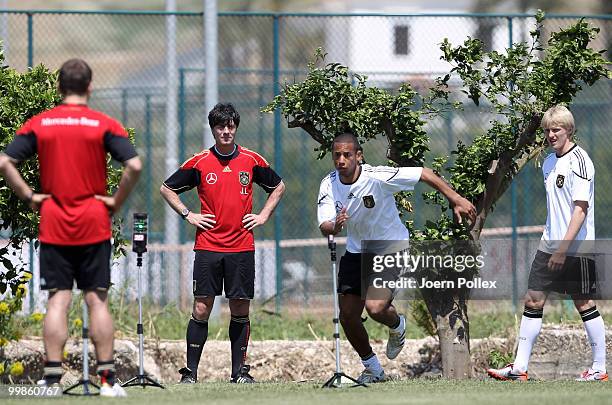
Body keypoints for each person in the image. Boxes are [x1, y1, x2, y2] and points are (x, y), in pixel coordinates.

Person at [0, 59, 142, 397]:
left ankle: (51, 380)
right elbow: (134, 164)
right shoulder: (103, 123)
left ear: (60, 87)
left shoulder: (42, 123)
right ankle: (107, 380)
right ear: (90, 87)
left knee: (58, 299)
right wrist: (115, 201)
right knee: (97, 300)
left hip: (55, 222)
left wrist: (30, 195)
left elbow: (5, 160)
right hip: (94, 221)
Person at [317, 132, 476, 383]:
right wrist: (335, 226)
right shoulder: (329, 183)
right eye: (337, 155)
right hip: (357, 251)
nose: (341, 160)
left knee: (376, 307)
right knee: (347, 315)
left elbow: (423, 172)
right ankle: (373, 369)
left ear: (358, 156)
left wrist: (455, 198)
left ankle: (397, 325)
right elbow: (325, 225)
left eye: (347, 154)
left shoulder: (377, 177)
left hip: (390, 247)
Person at [160, 103, 285, 384]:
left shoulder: (252, 160)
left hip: (241, 246)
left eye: (230, 126)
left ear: (236, 128)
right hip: (208, 246)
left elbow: (278, 186)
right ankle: (190, 373)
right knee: (202, 308)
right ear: (213, 129)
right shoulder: (200, 162)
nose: (226, 131)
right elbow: (166, 188)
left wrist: (263, 215)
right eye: (220, 126)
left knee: (240, 308)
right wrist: (188, 214)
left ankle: (239, 372)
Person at [487, 105, 607, 382]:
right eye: (547, 130)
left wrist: (563, 250)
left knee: (583, 302)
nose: (551, 135)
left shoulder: (581, 161)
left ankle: (599, 368)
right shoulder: (550, 162)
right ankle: (519, 368)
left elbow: (580, 210)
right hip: (549, 244)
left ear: (569, 130)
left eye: (556, 130)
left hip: (575, 247)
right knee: (533, 299)